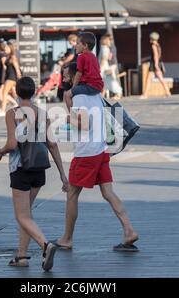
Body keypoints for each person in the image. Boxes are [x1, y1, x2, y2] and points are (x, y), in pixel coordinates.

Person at [0, 76, 69, 271]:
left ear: (16, 92)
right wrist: (62, 175)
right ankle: (22, 255)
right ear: (34, 92)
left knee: (22, 216)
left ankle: (45, 245)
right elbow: (52, 144)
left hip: (20, 169)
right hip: (39, 169)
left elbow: (12, 144)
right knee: (27, 214)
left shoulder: (12, 113)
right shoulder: (42, 113)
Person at [54, 78, 139, 252]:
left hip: (87, 152)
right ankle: (129, 230)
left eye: (65, 75)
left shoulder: (79, 95)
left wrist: (68, 118)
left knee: (72, 193)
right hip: (101, 149)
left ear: (73, 76)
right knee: (108, 192)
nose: (63, 79)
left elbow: (84, 125)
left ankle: (67, 238)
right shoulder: (95, 93)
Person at [63, 32, 104, 112]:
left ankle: (72, 115)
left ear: (85, 46)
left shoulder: (81, 57)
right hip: (99, 86)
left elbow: (78, 73)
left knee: (67, 95)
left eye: (78, 43)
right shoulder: (93, 56)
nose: (75, 46)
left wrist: (74, 87)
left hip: (90, 86)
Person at [141, 32, 171, 99]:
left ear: (152, 38)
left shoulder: (153, 46)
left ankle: (145, 94)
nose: (149, 40)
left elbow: (155, 56)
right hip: (158, 63)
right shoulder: (158, 45)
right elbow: (158, 55)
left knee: (148, 80)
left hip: (154, 64)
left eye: (150, 38)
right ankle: (168, 92)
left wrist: (156, 65)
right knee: (161, 79)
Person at [0, 41, 21, 117]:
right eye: (5, 47)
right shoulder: (8, 57)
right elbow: (5, 69)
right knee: (14, 94)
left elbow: (17, 68)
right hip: (8, 77)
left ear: (10, 48)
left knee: (4, 93)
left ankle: (3, 110)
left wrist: (19, 76)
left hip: (11, 77)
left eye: (7, 48)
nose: (5, 49)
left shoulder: (13, 57)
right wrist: (3, 78)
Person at [99, 34, 122, 100]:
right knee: (106, 81)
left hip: (104, 67)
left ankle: (118, 93)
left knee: (110, 81)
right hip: (106, 67)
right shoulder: (104, 48)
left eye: (101, 39)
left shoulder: (105, 48)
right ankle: (102, 95)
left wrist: (100, 68)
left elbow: (104, 58)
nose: (100, 40)